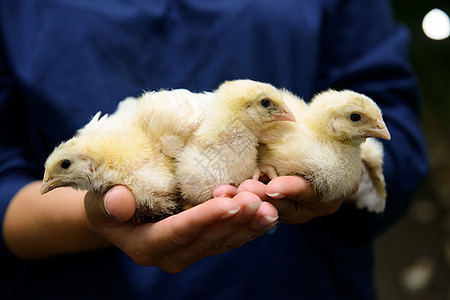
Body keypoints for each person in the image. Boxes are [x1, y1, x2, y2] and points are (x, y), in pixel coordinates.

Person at [0, 0, 428, 299]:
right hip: (80, 282)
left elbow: (391, 118)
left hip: (292, 279)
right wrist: (92, 217)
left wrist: (336, 182)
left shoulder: (291, 131)